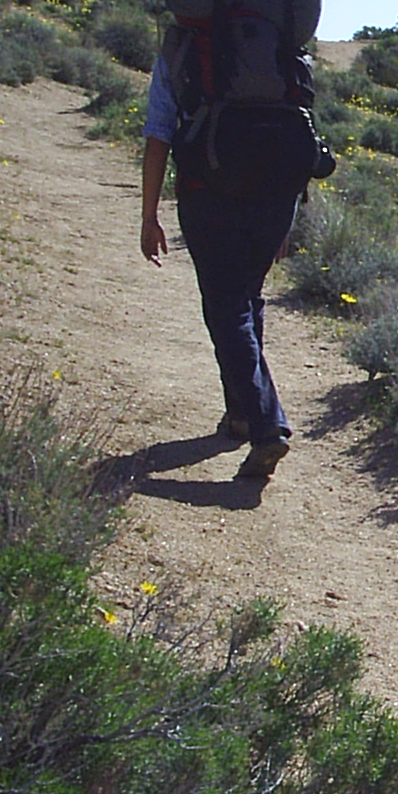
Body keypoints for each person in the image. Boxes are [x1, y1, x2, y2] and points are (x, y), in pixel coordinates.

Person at [140, 46, 300, 479]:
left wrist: (150, 215)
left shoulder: (183, 46)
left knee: (226, 307)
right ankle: (242, 416)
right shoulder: (279, 42)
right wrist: (288, 216)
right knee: (246, 299)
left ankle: (266, 426)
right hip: (275, 196)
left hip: (207, 191)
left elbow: (159, 133)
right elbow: (300, 126)